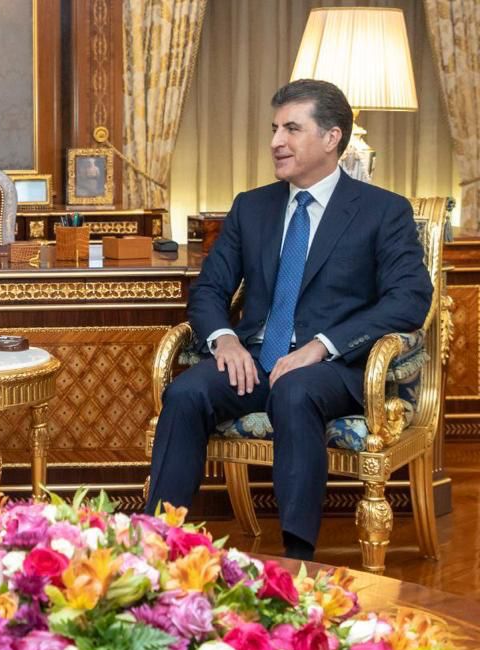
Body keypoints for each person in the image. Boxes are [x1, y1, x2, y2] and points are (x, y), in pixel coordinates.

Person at [144, 80, 432, 561]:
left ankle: (297, 559)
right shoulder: (251, 206)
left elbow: (409, 299)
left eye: (291, 129)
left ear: (332, 137)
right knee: (187, 392)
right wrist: (224, 340)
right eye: (274, 128)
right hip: (255, 359)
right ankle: (154, 546)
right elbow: (210, 288)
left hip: (335, 366)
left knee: (295, 391)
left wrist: (322, 345)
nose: (276, 141)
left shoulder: (382, 211)